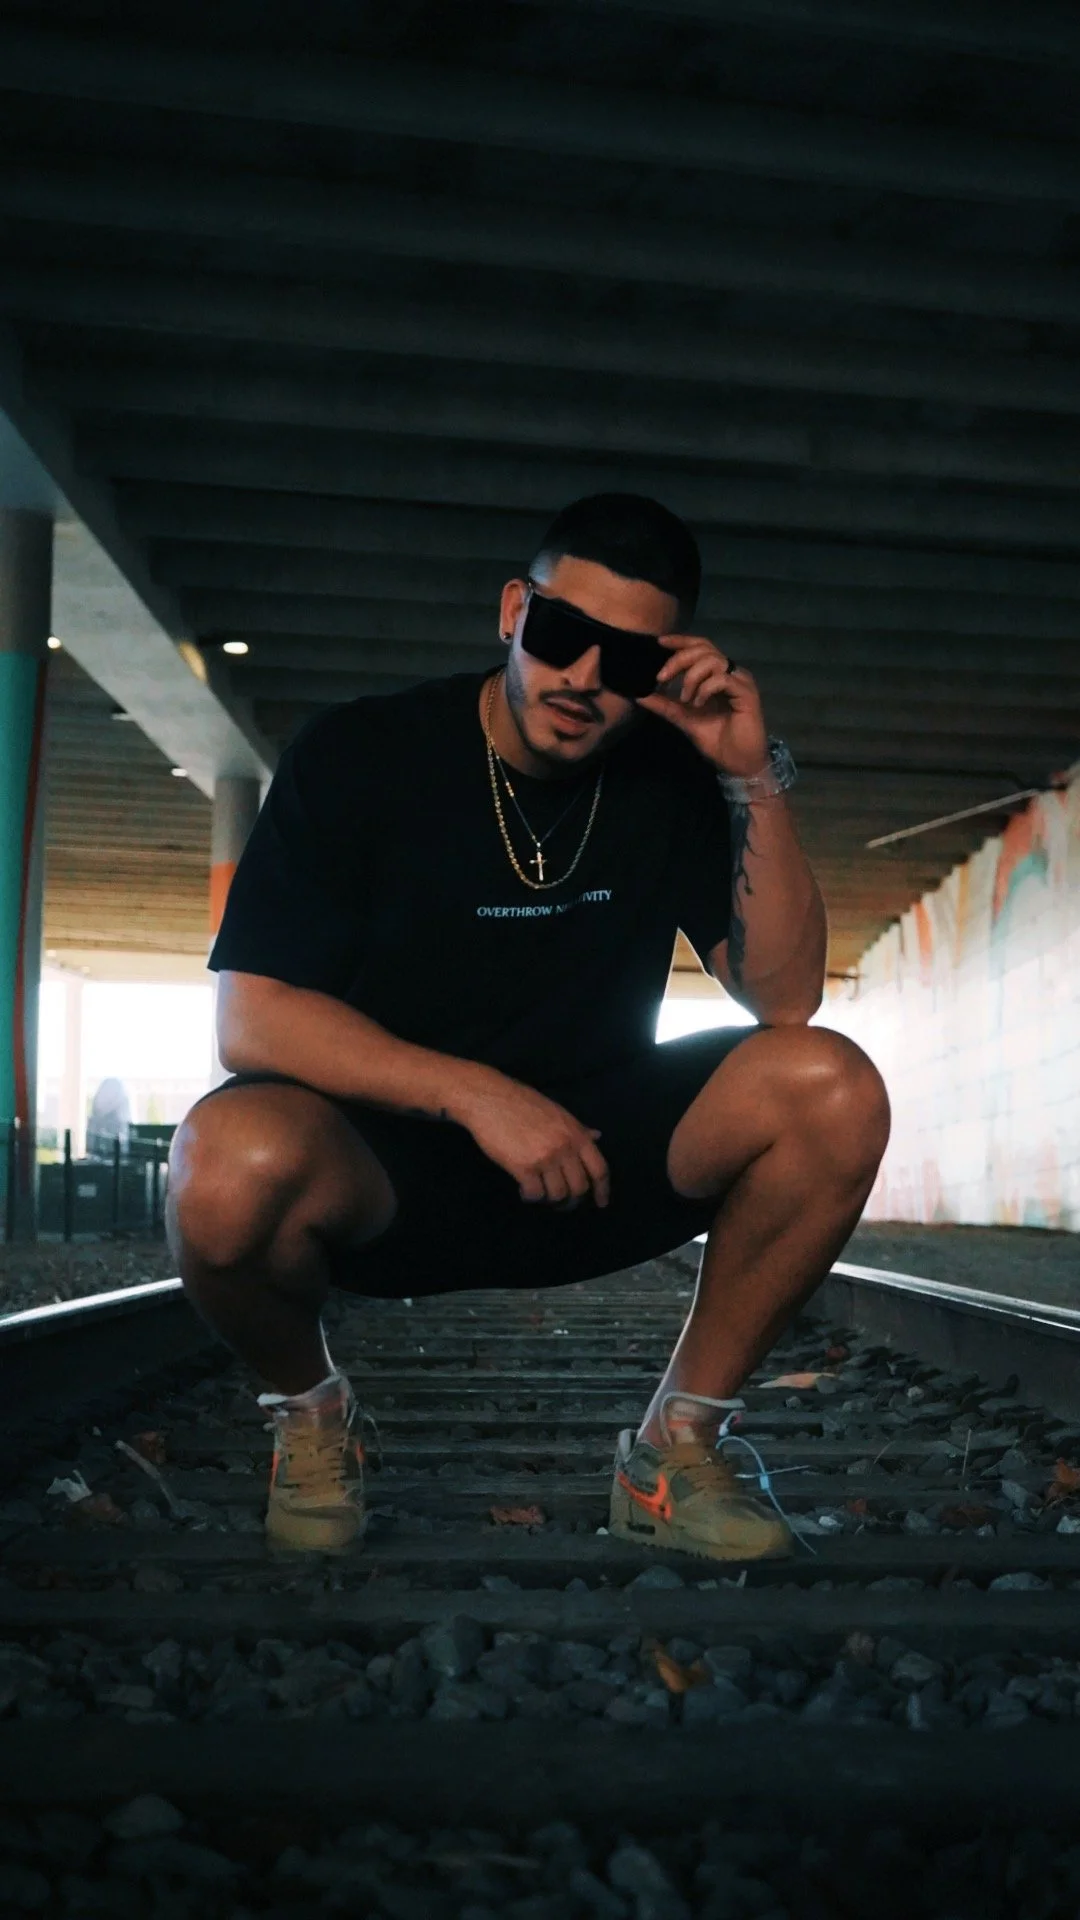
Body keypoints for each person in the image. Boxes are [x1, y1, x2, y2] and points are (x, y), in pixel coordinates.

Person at [168, 493, 890, 1559]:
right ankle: (314, 1418)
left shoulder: (673, 775)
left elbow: (784, 1001)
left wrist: (750, 779)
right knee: (222, 1165)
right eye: (561, 634)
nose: (585, 677)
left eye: (627, 659)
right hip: (389, 1166)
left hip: (595, 1160)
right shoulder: (362, 752)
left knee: (832, 1086)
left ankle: (674, 1452)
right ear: (514, 611)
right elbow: (253, 1018)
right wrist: (475, 1093)